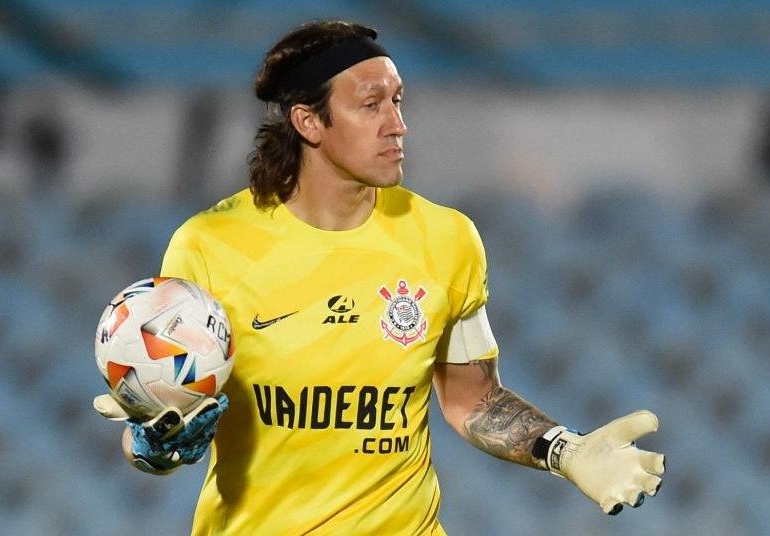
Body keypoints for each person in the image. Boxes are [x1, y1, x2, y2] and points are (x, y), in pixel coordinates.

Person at [94, 20, 666, 535]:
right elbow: (160, 425)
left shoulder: (447, 240)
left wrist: (564, 451)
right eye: (372, 105)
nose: (398, 124)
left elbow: (472, 400)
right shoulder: (207, 247)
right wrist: (154, 445)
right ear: (309, 121)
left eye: (399, 101)